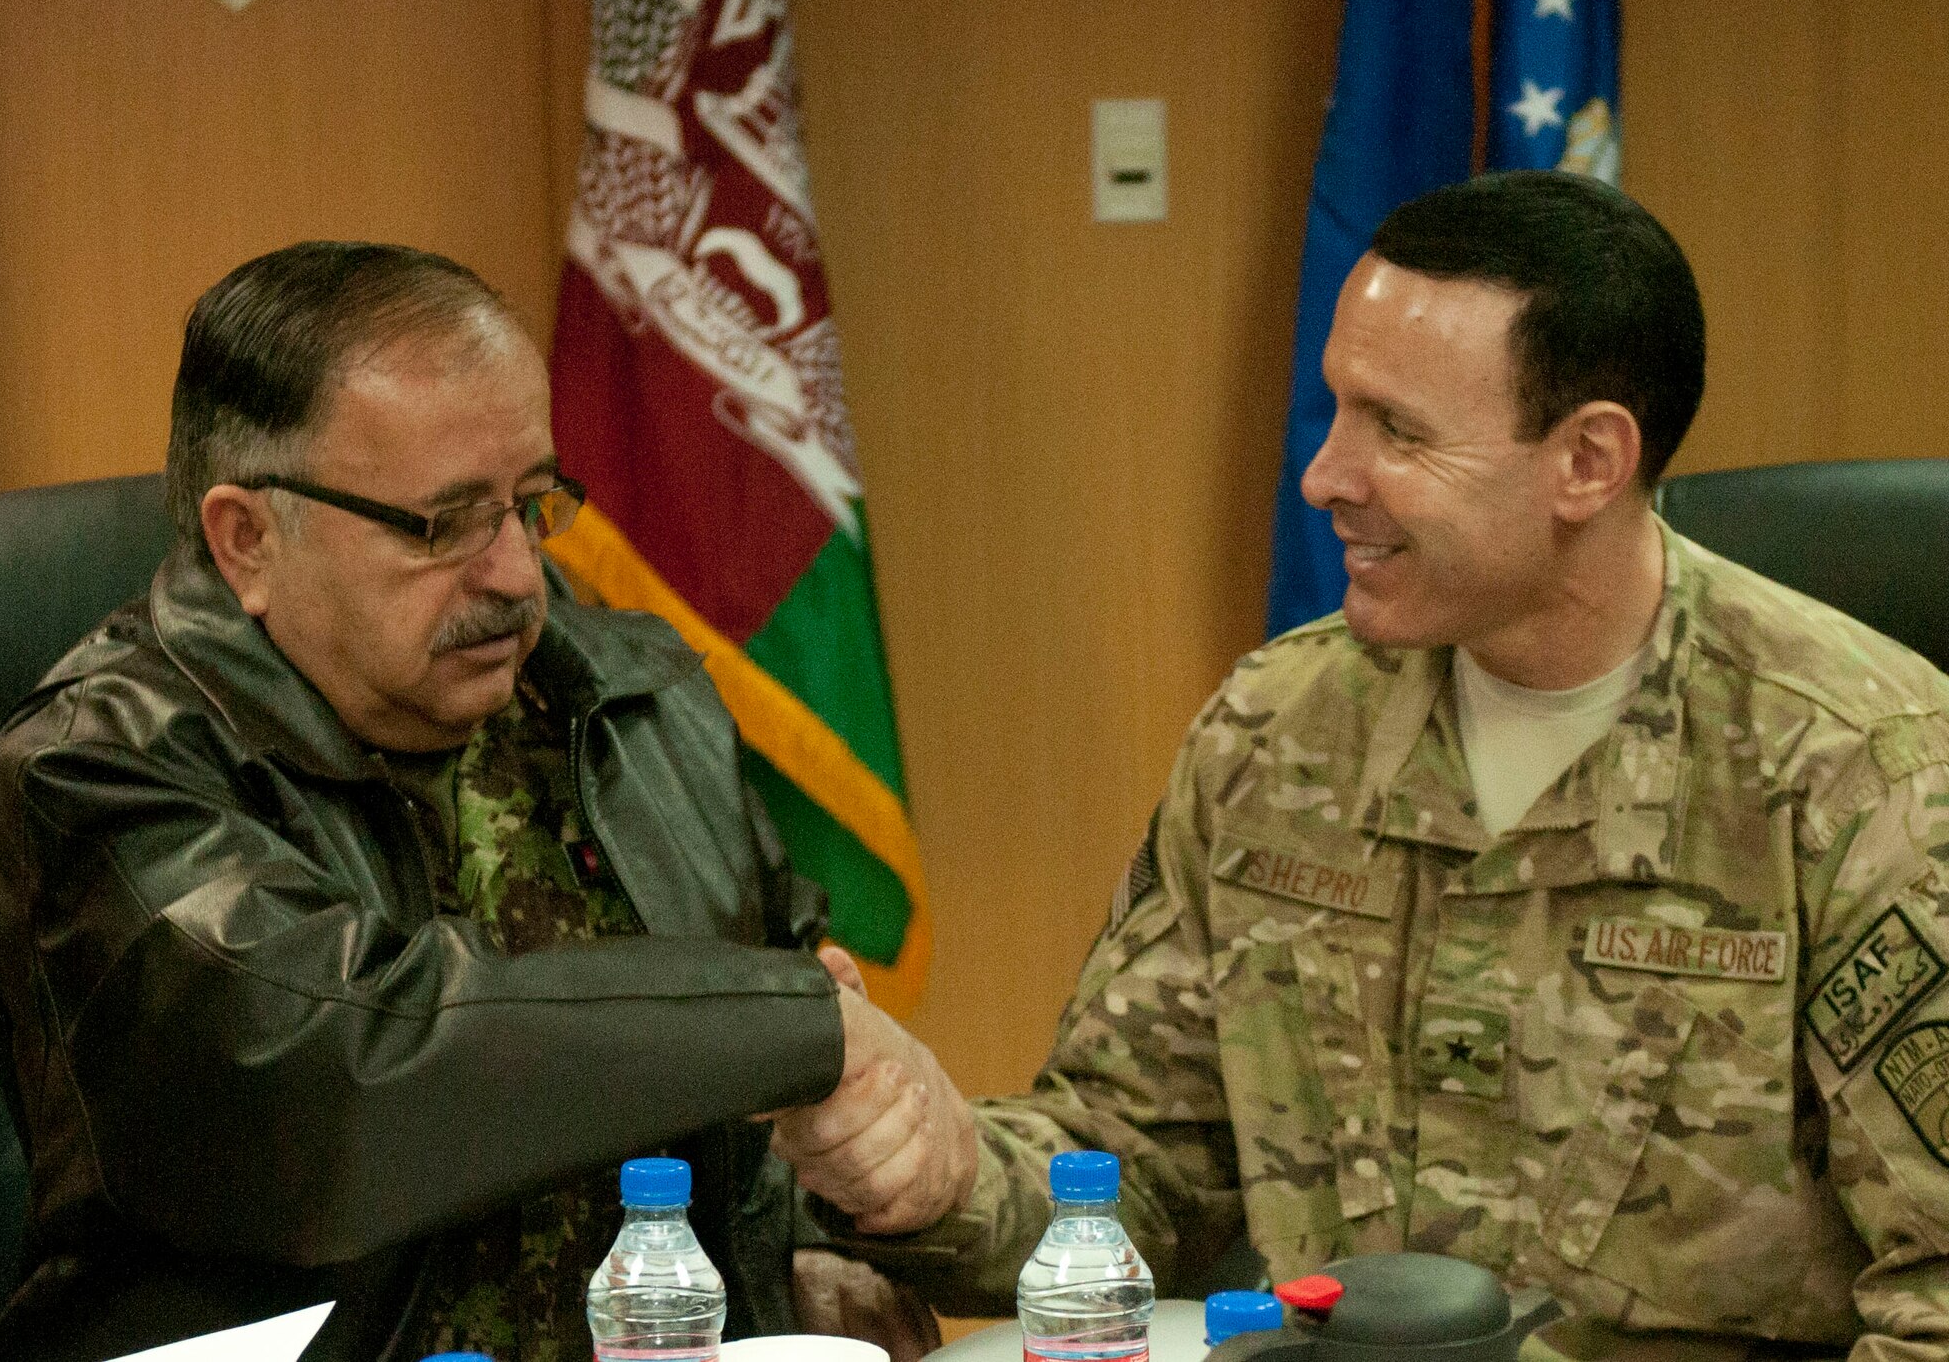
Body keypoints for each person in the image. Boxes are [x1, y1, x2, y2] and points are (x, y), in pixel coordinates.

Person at [771, 171, 1949, 1359]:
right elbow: (1136, 1175)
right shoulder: (1275, 733)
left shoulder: (1859, 776)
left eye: (1396, 430)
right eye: (1334, 409)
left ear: (1586, 460)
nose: (1324, 474)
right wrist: (939, 1165)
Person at [0, 242, 944, 1362]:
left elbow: (772, 1030)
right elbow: (352, 1074)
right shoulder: (93, 772)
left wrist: (818, 1236)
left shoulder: (630, 697)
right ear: (247, 540)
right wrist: (796, 1028)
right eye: (444, 524)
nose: (519, 574)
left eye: (531, 503)